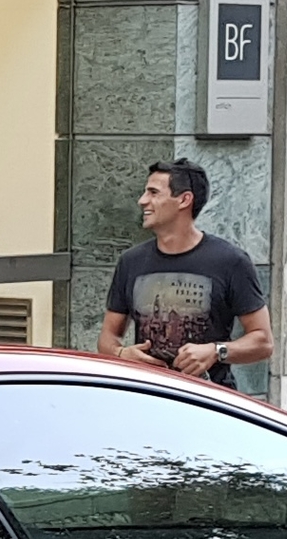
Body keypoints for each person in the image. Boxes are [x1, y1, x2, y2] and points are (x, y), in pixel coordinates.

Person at [99, 158, 272, 386]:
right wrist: (123, 355)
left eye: (153, 193)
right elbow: (107, 338)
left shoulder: (231, 261)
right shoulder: (131, 262)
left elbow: (263, 342)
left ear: (184, 199)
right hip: (145, 397)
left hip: (208, 403)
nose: (142, 201)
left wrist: (215, 351)